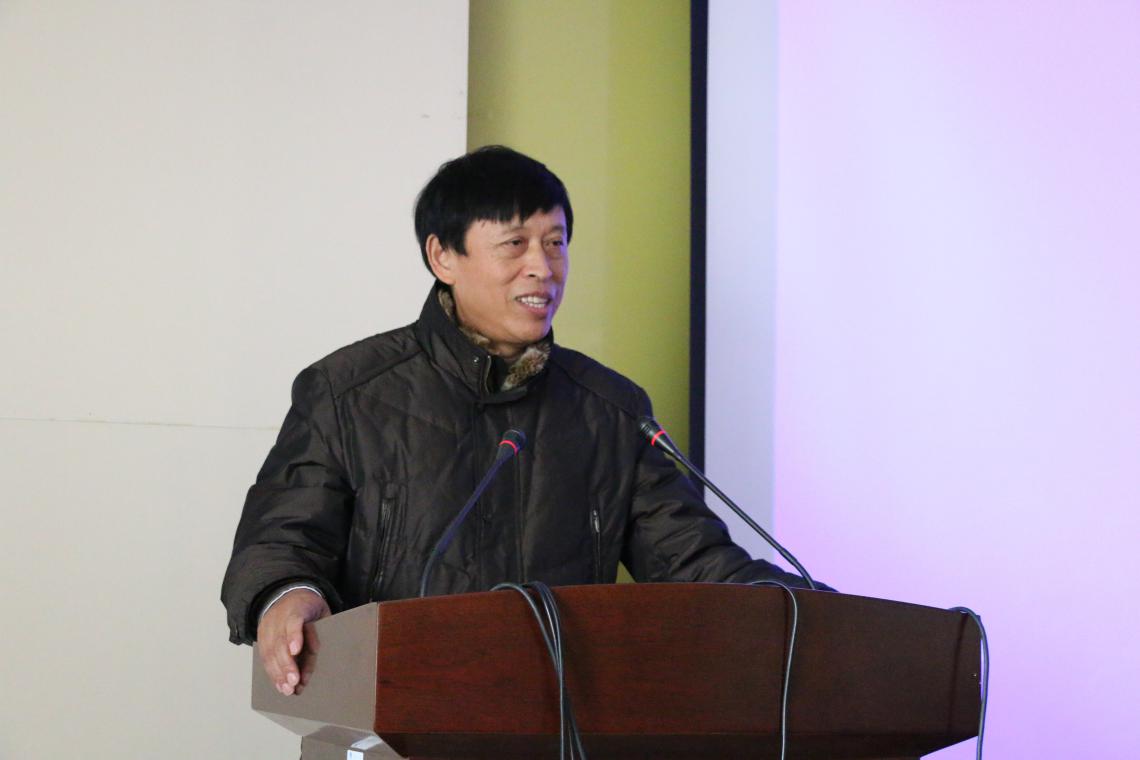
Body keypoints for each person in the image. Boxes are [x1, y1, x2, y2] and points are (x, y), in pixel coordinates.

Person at [221, 146, 820, 696]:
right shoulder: (349, 392)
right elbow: (281, 540)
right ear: (443, 256)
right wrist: (287, 595)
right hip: (390, 714)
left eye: (555, 243)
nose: (542, 267)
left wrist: (811, 613)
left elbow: (692, 562)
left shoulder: (611, 410)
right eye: (514, 244)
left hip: (559, 723)